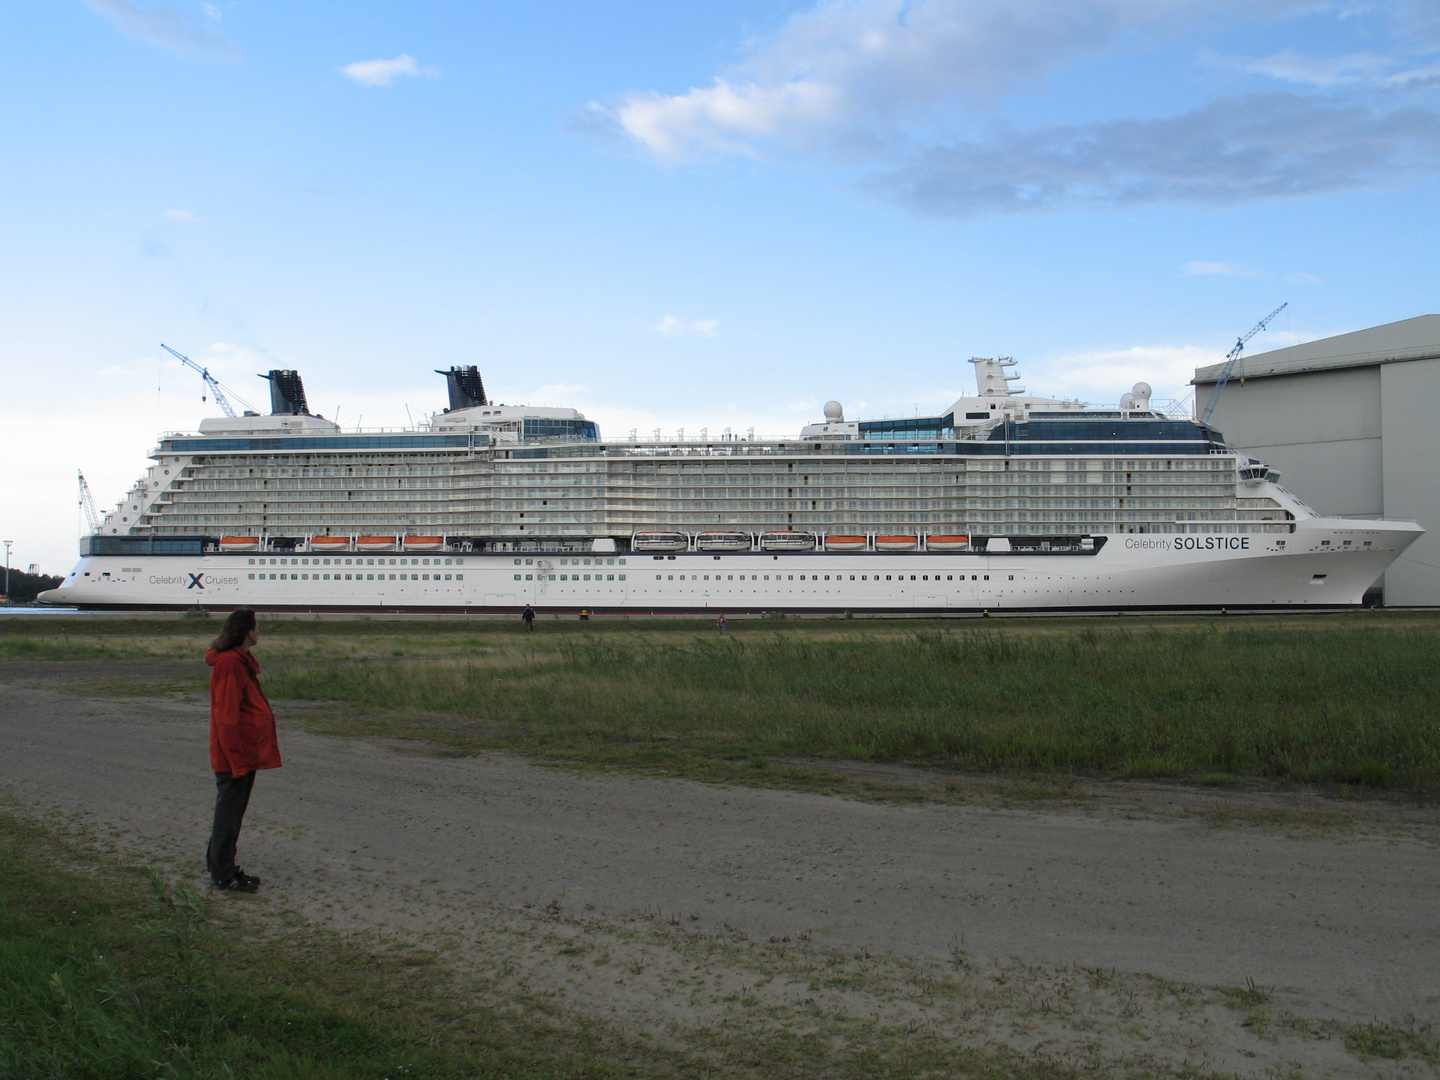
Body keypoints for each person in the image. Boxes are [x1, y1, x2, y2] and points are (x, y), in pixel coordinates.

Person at [204, 608, 281, 892]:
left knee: (232, 814)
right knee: (228, 816)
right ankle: (225, 875)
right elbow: (226, 717)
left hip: (241, 754)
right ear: (247, 631)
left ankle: (224, 867)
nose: (259, 631)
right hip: (233, 756)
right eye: (257, 627)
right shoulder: (230, 665)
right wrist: (236, 760)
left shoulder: (238, 662)